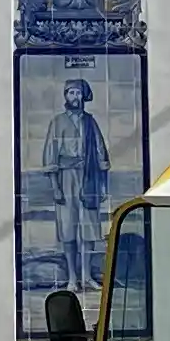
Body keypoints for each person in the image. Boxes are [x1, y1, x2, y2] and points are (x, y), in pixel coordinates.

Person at [36, 72, 111, 292]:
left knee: (88, 229)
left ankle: (87, 276)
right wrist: (55, 187)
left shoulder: (90, 122)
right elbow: (50, 155)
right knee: (68, 230)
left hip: (88, 179)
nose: (75, 96)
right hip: (66, 178)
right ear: (66, 96)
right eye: (71, 92)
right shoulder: (57, 122)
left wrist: (103, 186)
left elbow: (100, 154)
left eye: (78, 92)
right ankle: (71, 278)